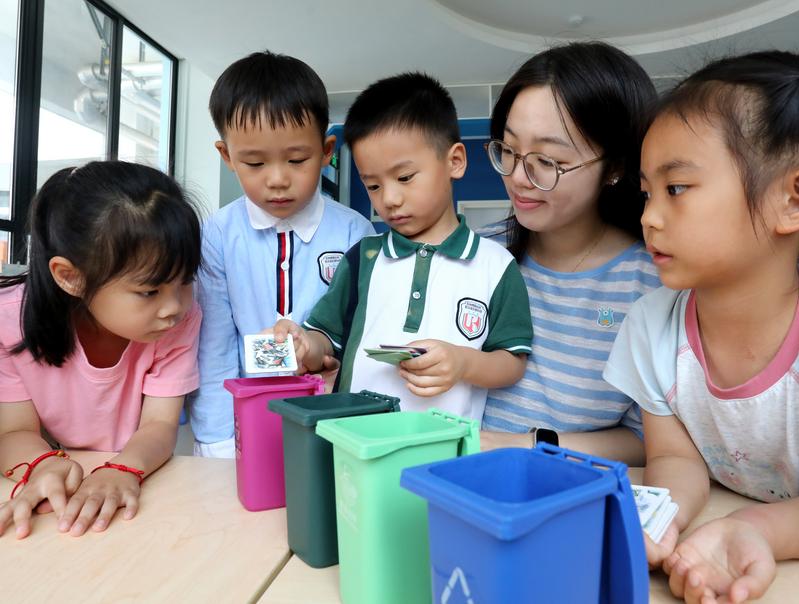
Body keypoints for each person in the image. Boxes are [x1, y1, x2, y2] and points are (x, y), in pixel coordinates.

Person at [603, 51, 799, 603]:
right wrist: (659, 518)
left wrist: (754, 531)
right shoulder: (651, 325)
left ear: (798, 199)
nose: (647, 216)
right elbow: (675, 457)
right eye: (647, 192)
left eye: (677, 189)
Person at [279, 72, 533, 420]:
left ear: (454, 161)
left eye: (404, 178)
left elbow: (512, 361)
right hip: (353, 440)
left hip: (446, 449)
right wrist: (304, 346)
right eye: (373, 186)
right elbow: (325, 338)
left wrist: (463, 362)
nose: (390, 199)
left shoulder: (496, 265)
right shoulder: (363, 257)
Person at [477, 42, 660, 465]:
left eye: (547, 160)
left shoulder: (650, 283)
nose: (519, 178)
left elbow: (647, 441)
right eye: (508, 150)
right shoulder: (479, 254)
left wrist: (526, 444)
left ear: (615, 166)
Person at [0, 161, 202, 539]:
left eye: (186, 281)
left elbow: (159, 424)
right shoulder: (9, 320)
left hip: (140, 478)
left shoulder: (178, 320)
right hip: (63, 494)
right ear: (71, 277)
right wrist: (40, 465)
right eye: (149, 290)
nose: (175, 306)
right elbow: (13, 431)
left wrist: (124, 469)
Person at [191, 51, 374, 457]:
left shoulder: (354, 233)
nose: (277, 179)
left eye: (296, 160)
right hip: (244, 419)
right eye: (254, 163)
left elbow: (360, 336)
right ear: (226, 157)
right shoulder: (217, 235)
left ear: (327, 150)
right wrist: (217, 439)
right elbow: (214, 345)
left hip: (330, 420)